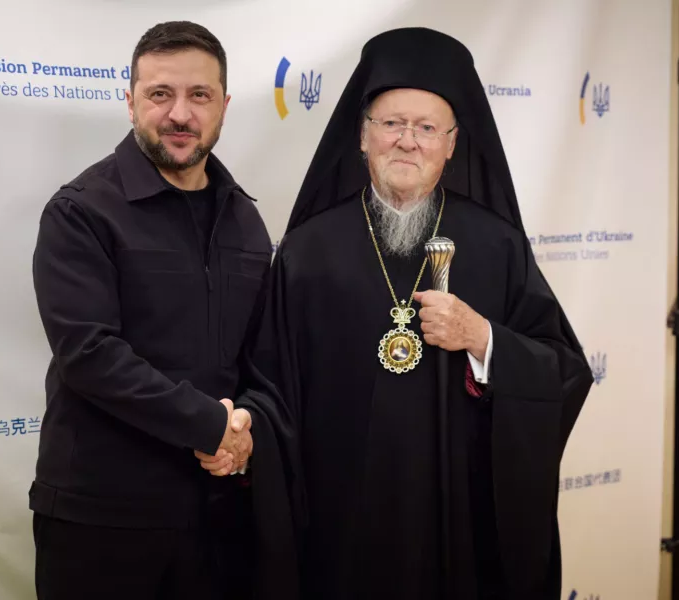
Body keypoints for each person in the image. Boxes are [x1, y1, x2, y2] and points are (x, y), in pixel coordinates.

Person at [201, 27, 594, 600]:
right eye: (391, 123)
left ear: (452, 145)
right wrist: (245, 432)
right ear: (362, 136)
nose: (407, 141)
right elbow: (271, 384)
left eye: (427, 128)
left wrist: (483, 338)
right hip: (341, 523)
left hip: (459, 525)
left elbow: (564, 371)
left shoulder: (497, 245)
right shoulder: (308, 250)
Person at [29, 20, 267, 600]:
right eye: (161, 93)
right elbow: (90, 355)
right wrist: (211, 424)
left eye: (199, 95)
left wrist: (249, 428)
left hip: (219, 517)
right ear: (131, 100)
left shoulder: (245, 218)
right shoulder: (80, 212)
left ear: (224, 106)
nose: (180, 114)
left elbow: (263, 352)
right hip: (101, 520)